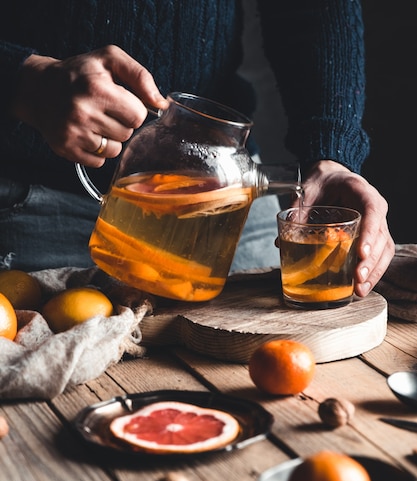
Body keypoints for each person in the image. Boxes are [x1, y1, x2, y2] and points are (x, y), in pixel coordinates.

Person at [0, 0, 394, 299]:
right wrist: (23, 81)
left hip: (227, 204)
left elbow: (311, 13)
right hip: (30, 210)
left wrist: (331, 156)